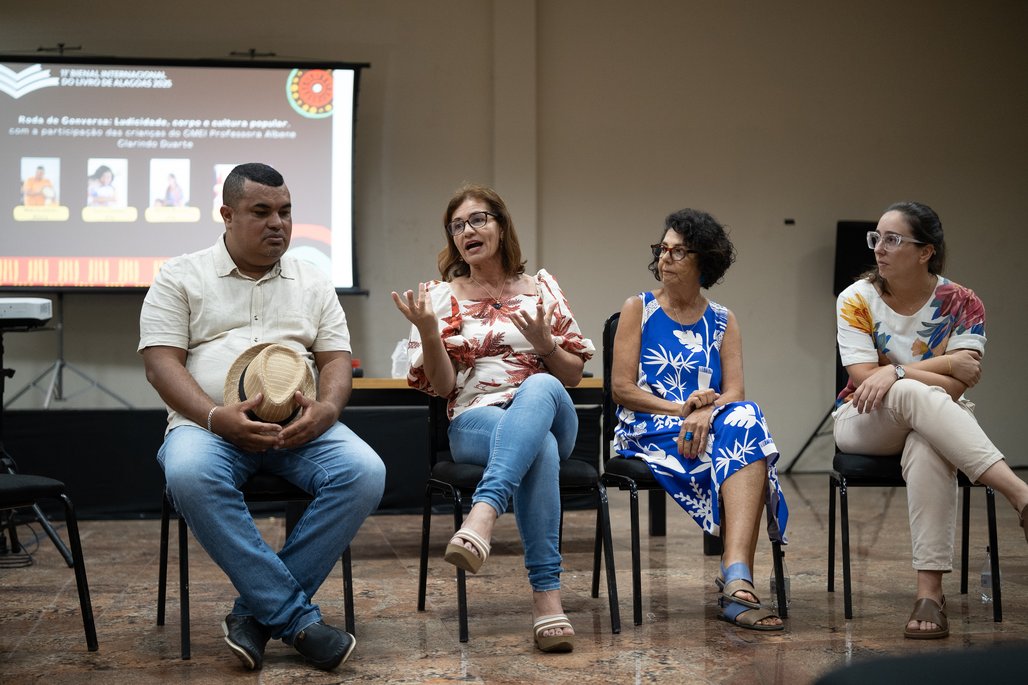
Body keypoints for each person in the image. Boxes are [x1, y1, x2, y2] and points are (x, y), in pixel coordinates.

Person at [139, 162, 385, 671]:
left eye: (286, 212)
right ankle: (296, 620)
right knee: (187, 472)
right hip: (208, 428)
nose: (278, 223)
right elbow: (161, 363)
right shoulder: (180, 275)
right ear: (227, 215)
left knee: (364, 472)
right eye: (262, 212)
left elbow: (336, 359)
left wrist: (329, 410)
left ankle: (254, 613)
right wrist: (213, 417)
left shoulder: (313, 281)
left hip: (303, 427)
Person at [391, 183, 594, 653]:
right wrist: (427, 333)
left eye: (478, 220)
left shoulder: (541, 288)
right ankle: (547, 599)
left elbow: (574, 376)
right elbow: (443, 387)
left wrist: (545, 347)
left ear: (502, 226)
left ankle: (483, 515)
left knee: (541, 384)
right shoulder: (440, 297)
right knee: (535, 447)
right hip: (475, 421)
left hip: (551, 410)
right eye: (457, 225)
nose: (468, 231)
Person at [833, 201, 1028, 639]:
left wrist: (896, 368)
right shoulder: (856, 299)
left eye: (893, 239)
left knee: (927, 443)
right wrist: (914, 371)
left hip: (933, 419)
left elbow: (958, 388)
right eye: (876, 238)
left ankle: (929, 595)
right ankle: (1019, 494)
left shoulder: (963, 302)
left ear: (926, 252)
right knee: (904, 392)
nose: (879, 248)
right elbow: (865, 379)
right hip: (862, 421)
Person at [611, 208, 788, 631]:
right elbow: (621, 388)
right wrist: (684, 410)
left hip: (710, 426)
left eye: (678, 251)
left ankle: (735, 574)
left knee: (746, 417)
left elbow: (735, 393)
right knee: (746, 445)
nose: (665, 258)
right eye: (662, 249)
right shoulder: (638, 308)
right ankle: (738, 581)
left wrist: (708, 411)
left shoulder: (724, 320)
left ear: (703, 262)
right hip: (647, 427)